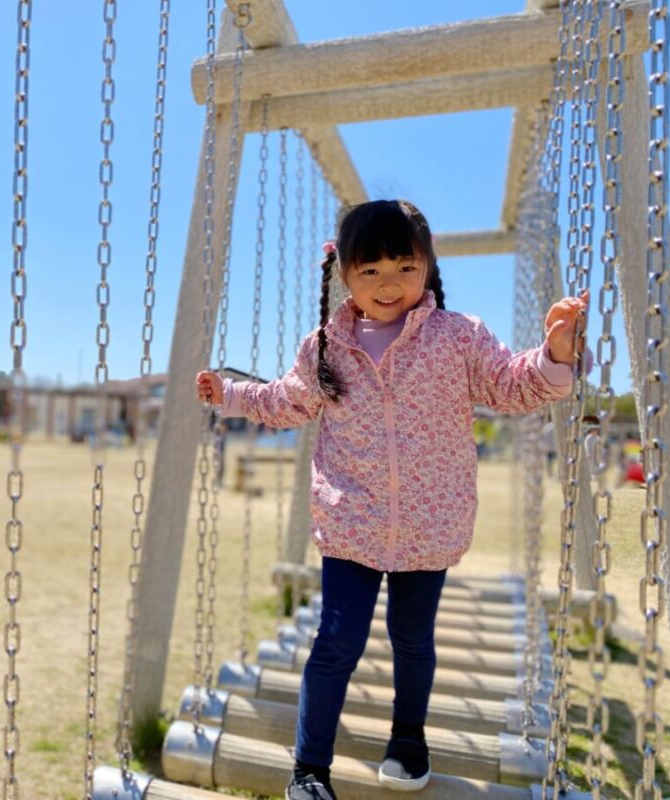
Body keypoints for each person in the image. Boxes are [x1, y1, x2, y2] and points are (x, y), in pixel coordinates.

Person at [195, 200, 587, 799]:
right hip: (351, 520)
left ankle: (408, 740)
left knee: (412, 638)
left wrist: (555, 354)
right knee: (336, 642)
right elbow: (286, 402)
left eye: (404, 267)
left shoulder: (458, 339)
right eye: (370, 270)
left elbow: (512, 385)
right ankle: (309, 770)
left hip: (430, 523)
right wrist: (230, 393)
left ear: (427, 267)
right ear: (345, 276)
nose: (388, 284)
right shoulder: (325, 346)